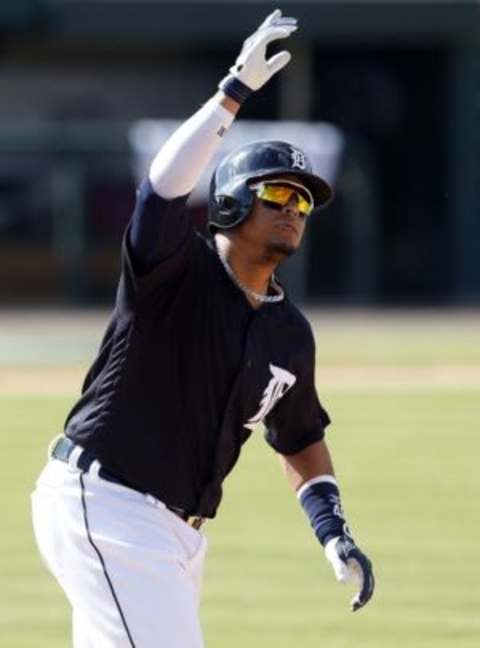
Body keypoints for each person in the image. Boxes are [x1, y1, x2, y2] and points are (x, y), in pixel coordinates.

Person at [31, 9, 374, 648]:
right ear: (231, 202)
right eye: (277, 194)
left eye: (303, 201)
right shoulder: (173, 270)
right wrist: (232, 93)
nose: (294, 209)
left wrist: (333, 530)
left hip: (177, 535)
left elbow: (298, 438)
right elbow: (160, 190)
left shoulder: (289, 333)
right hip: (106, 505)